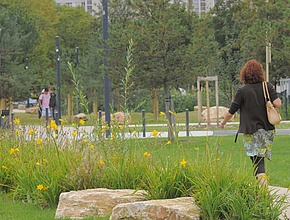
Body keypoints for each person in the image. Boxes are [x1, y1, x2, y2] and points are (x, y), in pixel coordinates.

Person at [220, 59, 282, 187]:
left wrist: (223, 123)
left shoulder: (243, 91)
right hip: (267, 129)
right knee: (258, 159)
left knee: (257, 160)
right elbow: (278, 104)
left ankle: (263, 191)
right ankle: (259, 187)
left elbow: (231, 111)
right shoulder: (267, 86)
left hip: (251, 131)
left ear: (245, 74)